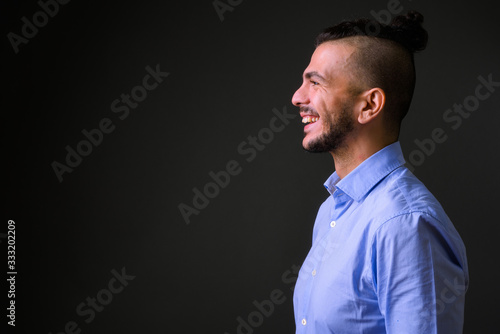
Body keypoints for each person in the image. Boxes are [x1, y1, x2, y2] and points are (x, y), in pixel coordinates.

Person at [291, 11, 468, 334]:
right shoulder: (332, 210)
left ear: (370, 105)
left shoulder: (405, 224)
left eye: (315, 83)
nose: (297, 97)